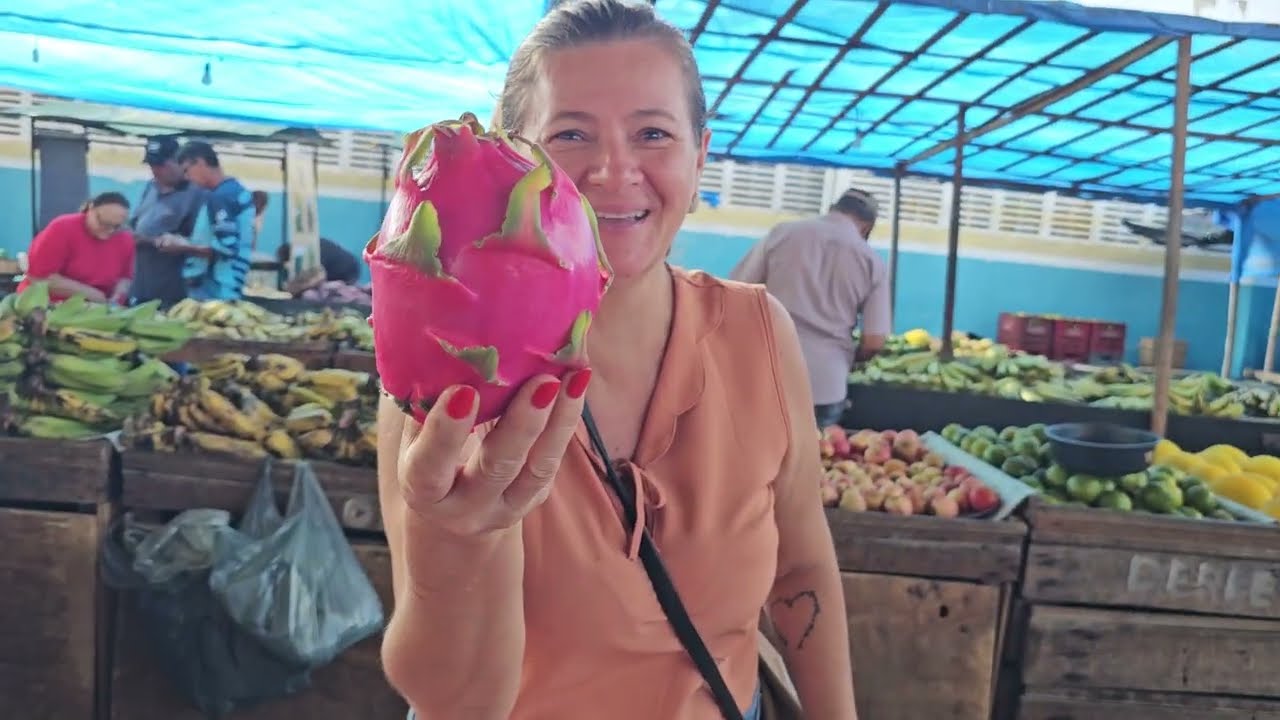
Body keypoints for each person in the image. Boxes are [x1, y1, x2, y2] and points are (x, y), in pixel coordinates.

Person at [375, 2, 858, 720]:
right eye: (570, 134)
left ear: (699, 158)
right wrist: (457, 544)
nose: (612, 169)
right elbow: (454, 701)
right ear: (515, 161)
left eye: (653, 134)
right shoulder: (457, 387)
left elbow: (800, 566)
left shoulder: (758, 332)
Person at [730, 188, 892, 429]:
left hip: (765, 373)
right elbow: (874, 341)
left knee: (749, 461)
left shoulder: (783, 233)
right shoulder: (871, 260)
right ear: (868, 226)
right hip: (825, 384)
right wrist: (852, 359)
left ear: (832, 209)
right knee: (816, 461)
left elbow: (736, 293)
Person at [163, 141, 256, 300]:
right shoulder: (235, 191)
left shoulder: (221, 197)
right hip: (230, 281)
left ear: (200, 163)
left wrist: (181, 247)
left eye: (187, 170)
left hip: (218, 286)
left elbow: (225, 248)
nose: (187, 177)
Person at [128, 135, 208, 306]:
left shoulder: (198, 194)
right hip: (140, 285)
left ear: (179, 161)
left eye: (161, 165)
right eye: (151, 165)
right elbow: (135, 223)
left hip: (174, 292)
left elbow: (201, 244)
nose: (155, 170)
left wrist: (152, 241)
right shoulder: (150, 187)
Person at [18, 192, 136, 305]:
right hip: (47, 305)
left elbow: (124, 277)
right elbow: (39, 277)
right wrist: (92, 294)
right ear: (91, 209)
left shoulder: (125, 239)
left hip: (97, 309)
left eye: (116, 226)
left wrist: (118, 293)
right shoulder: (63, 227)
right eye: (103, 223)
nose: (109, 231)